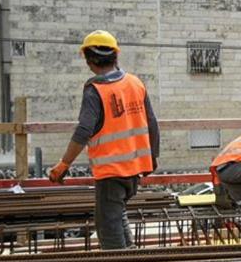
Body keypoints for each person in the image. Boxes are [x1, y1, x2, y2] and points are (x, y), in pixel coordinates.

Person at [48, 30, 160, 249]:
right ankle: (131, 260)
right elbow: (152, 123)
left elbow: (83, 131)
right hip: (134, 170)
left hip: (111, 172)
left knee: (109, 230)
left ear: (89, 60)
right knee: (117, 216)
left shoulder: (96, 91)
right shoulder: (135, 83)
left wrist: (64, 164)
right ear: (115, 56)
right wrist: (152, 158)